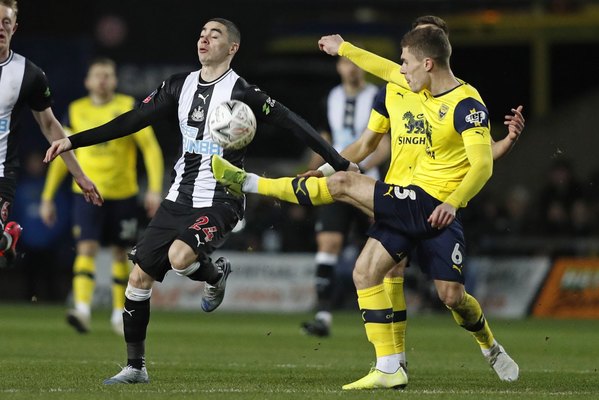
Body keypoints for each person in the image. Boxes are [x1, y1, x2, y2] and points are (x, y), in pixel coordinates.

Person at [43, 18, 356, 385]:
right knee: (138, 277)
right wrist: (73, 140)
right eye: (202, 33)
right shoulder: (179, 85)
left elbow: (294, 123)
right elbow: (132, 120)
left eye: (215, 34)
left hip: (222, 198)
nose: (204, 38)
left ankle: (211, 274)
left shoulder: (244, 93)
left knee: (179, 257)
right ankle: (136, 367)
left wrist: (339, 162)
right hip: (177, 198)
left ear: (233, 48)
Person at [212, 24, 521, 389]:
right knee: (368, 272)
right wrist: (343, 48)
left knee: (451, 296)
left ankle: (490, 346)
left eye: (405, 61)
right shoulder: (402, 85)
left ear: (428, 61)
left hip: (435, 205)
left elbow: (481, 162)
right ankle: (391, 366)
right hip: (399, 197)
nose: (399, 68)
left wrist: (457, 198)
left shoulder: (466, 105)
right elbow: (367, 133)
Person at [39, 58, 164, 335]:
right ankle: (82, 309)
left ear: (115, 80)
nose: (103, 80)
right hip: (84, 194)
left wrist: (154, 189)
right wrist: (47, 196)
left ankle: (119, 315)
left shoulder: (128, 106)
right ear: (87, 81)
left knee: (121, 254)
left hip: (123, 194)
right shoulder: (76, 110)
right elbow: (63, 154)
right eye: (98, 75)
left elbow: (151, 149)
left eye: (108, 75)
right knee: (86, 248)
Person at [0, 0, 102, 268]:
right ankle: (6, 240)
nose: (0, 28)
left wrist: (79, 174)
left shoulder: (28, 74)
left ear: (14, 28)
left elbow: (50, 126)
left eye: (6, 22)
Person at [302, 55, 389, 337]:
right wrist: (310, 171)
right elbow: (324, 141)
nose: (351, 68)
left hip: (368, 182)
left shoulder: (379, 96)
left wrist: (358, 168)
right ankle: (323, 315)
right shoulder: (331, 98)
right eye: (345, 63)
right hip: (335, 182)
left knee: (389, 250)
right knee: (328, 242)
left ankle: (393, 314)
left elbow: (385, 145)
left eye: (355, 62)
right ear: (339, 67)